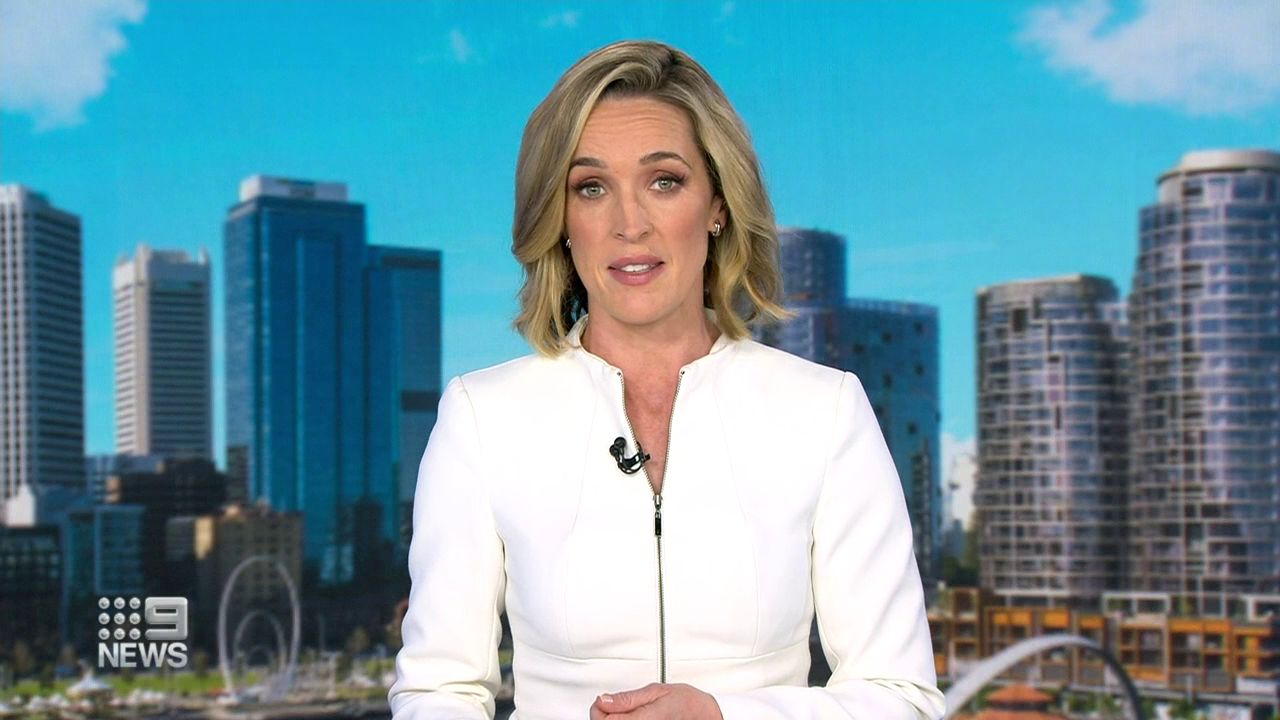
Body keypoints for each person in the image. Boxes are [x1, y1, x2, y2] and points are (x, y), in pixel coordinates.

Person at [389, 39, 945, 720]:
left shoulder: (824, 411)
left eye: (664, 181)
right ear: (560, 220)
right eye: (591, 188)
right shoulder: (483, 416)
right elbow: (436, 691)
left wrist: (725, 716)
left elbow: (902, 698)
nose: (630, 224)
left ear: (717, 204)